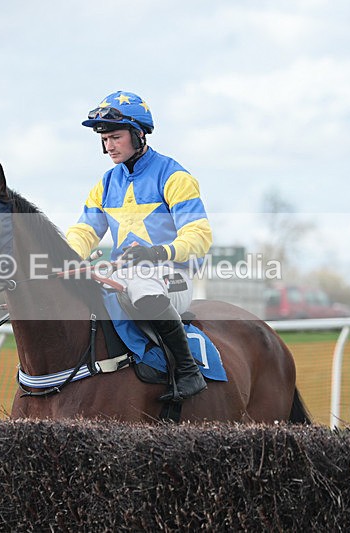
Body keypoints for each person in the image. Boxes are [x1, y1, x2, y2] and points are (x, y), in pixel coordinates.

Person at [66, 90, 213, 402]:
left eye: (115, 137)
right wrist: (65, 258)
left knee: (143, 289)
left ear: (138, 133)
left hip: (172, 274)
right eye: (104, 139)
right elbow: (84, 230)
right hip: (124, 274)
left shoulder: (174, 175)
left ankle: (188, 371)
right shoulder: (106, 183)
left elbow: (199, 236)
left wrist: (158, 252)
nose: (109, 147)